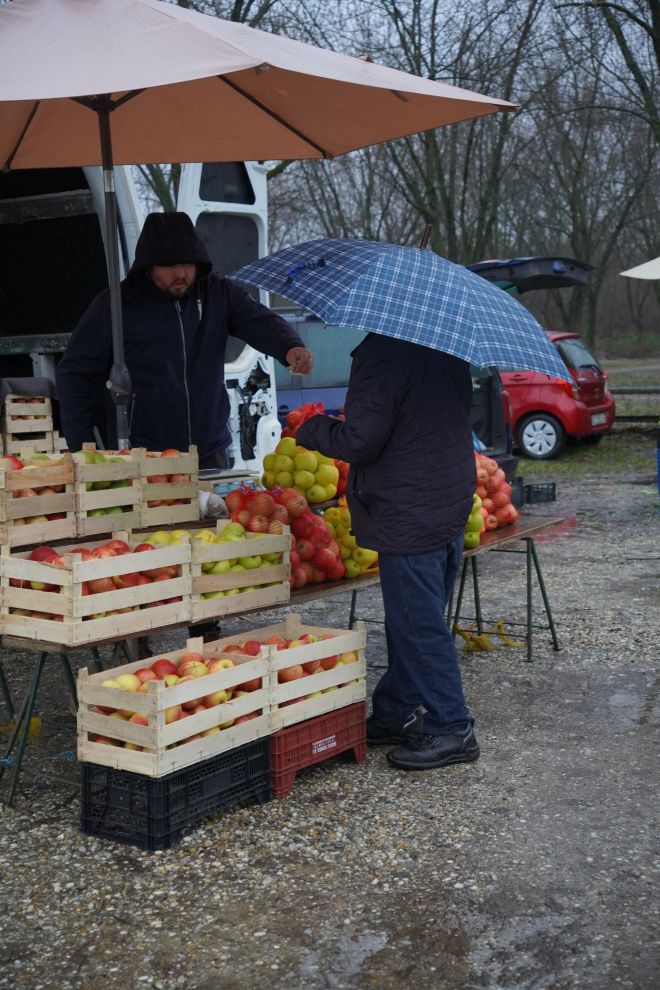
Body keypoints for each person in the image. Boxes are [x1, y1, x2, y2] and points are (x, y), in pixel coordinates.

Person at [296, 332, 479, 771]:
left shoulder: (384, 353)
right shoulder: (447, 342)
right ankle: (397, 710)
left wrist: (312, 428)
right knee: (413, 619)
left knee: (418, 625)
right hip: (447, 498)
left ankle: (453, 727)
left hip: (410, 508)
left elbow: (361, 441)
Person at [56, 211, 313, 466]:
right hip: (143, 456)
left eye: (188, 264)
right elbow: (74, 373)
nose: (181, 274)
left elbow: (259, 321)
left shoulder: (217, 294)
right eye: (170, 265)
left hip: (210, 452)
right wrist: (83, 447)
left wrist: (290, 346)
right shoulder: (114, 305)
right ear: (149, 264)